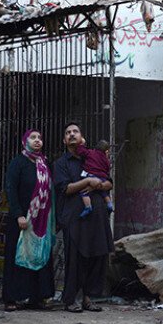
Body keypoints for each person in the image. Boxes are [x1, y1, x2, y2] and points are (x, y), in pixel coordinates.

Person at [54, 122, 114, 313]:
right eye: (68, 133)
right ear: (64, 140)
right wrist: (87, 181)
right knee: (75, 259)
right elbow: (65, 189)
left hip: (97, 216)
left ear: (82, 138)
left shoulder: (92, 157)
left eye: (75, 132)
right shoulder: (61, 164)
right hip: (75, 217)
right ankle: (70, 299)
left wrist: (100, 185)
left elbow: (109, 182)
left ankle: (88, 298)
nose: (72, 135)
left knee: (97, 257)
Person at [3, 129, 55, 312]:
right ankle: (12, 298)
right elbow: (10, 188)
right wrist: (18, 214)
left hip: (41, 221)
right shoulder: (18, 163)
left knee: (40, 255)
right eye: (33, 137)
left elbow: (51, 192)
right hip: (22, 219)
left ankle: (37, 297)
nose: (37, 140)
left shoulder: (45, 163)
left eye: (40, 137)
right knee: (17, 256)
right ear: (25, 142)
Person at [76, 139, 113, 217]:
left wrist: (82, 144)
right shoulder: (106, 159)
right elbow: (108, 168)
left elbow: (80, 152)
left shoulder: (91, 153)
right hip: (102, 178)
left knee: (84, 192)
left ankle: (88, 206)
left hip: (91, 176)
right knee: (103, 192)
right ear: (106, 151)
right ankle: (109, 204)